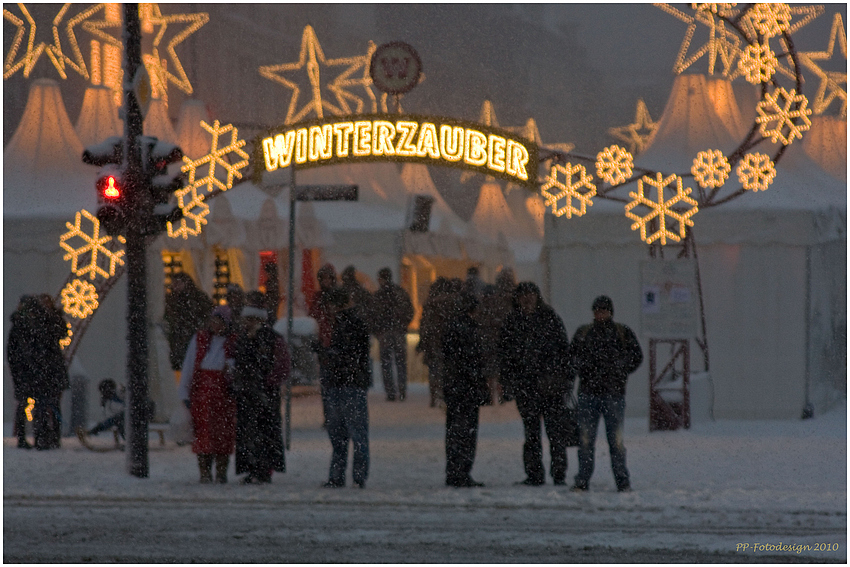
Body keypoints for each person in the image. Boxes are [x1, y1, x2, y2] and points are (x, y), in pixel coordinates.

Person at [499, 282, 572, 486]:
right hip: (531, 387)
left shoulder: (545, 319)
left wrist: (562, 378)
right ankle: (538, 474)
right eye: (524, 296)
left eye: (530, 295)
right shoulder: (517, 321)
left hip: (547, 387)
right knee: (535, 434)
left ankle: (555, 474)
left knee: (552, 434)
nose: (527, 299)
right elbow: (505, 356)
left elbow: (563, 352)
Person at [570, 295, 643, 493]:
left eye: (603, 310)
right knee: (592, 442)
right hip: (600, 393)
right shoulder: (594, 333)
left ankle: (615, 480)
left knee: (610, 442)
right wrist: (619, 370)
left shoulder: (614, 333)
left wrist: (618, 369)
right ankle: (594, 479)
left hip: (606, 393)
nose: (600, 314)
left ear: (609, 312)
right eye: (597, 310)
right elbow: (572, 358)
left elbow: (636, 356)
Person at [230, 299, 290, 484]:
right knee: (250, 431)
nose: (244, 322)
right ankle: (253, 468)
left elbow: (282, 365)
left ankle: (263, 468)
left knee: (264, 431)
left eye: (248, 318)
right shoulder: (243, 338)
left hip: (264, 393)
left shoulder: (271, 338)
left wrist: (268, 382)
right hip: (248, 392)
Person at [178, 306, 237, 484]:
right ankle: (204, 471)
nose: (215, 325)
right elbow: (189, 364)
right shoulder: (200, 339)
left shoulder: (233, 342)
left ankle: (220, 471)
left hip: (223, 394)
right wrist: (185, 391)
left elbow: (235, 366)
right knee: (204, 433)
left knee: (222, 435)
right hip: (202, 393)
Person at [323, 288, 372, 488]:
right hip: (351, 383)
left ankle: (339, 475)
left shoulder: (345, 325)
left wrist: (327, 353)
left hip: (343, 383)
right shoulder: (355, 323)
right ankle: (357, 476)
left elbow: (347, 354)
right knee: (356, 433)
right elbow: (358, 355)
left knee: (340, 434)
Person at [442, 293, 488, 488]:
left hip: (455, 390)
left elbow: (448, 359)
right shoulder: (470, 330)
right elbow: (474, 362)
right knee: (467, 433)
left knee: (454, 432)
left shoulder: (451, 328)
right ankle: (462, 472)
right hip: (467, 390)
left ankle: (453, 471)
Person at [371, 267, 414, 401]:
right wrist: (403, 325)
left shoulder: (378, 295)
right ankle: (401, 389)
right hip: (398, 332)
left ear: (381, 278)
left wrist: (377, 330)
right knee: (401, 362)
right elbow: (410, 311)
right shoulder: (400, 292)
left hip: (384, 332)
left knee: (386, 363)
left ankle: (390, 391)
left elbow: (372, 315)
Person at [164, 273, 214, 377]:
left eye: (177, 283)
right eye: (174, 283)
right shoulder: (171, 300)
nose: (174, 286)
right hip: (177, 341)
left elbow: (207, 317)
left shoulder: (198, 298)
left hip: (191, 339)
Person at [478, 268, 515, 404]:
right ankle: (499, 396)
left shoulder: (483, 307)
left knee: (490, 372)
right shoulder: (504, 304)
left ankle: (492, 396)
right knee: (497, 371)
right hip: (497, 342)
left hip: (489, 342)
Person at [7, 296, 40, 449]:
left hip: (23, 371)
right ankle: (31, 436)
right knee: (31, 403)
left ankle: (23, 436)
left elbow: (12, 353)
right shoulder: (28, 326)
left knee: (24, 403)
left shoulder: (18, 326)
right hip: (28, 370)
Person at [309, 263, 338, 426]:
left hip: (337, 346)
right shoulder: (318, 298)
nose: (325, 282)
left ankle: (335, 416)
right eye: (323, 278)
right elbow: (313, 317)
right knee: (326, 385)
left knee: (335, 385)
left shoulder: (337, 297)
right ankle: (329, 416)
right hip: (324, 346)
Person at [416, 277, 453, 407]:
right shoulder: (453, 302)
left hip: (433, 341)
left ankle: (434, 395)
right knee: (447, 369)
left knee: (434, 370)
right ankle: (445, 394)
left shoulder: (430, 303)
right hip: (449, 341)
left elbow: (425, 324)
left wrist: (422, 341)